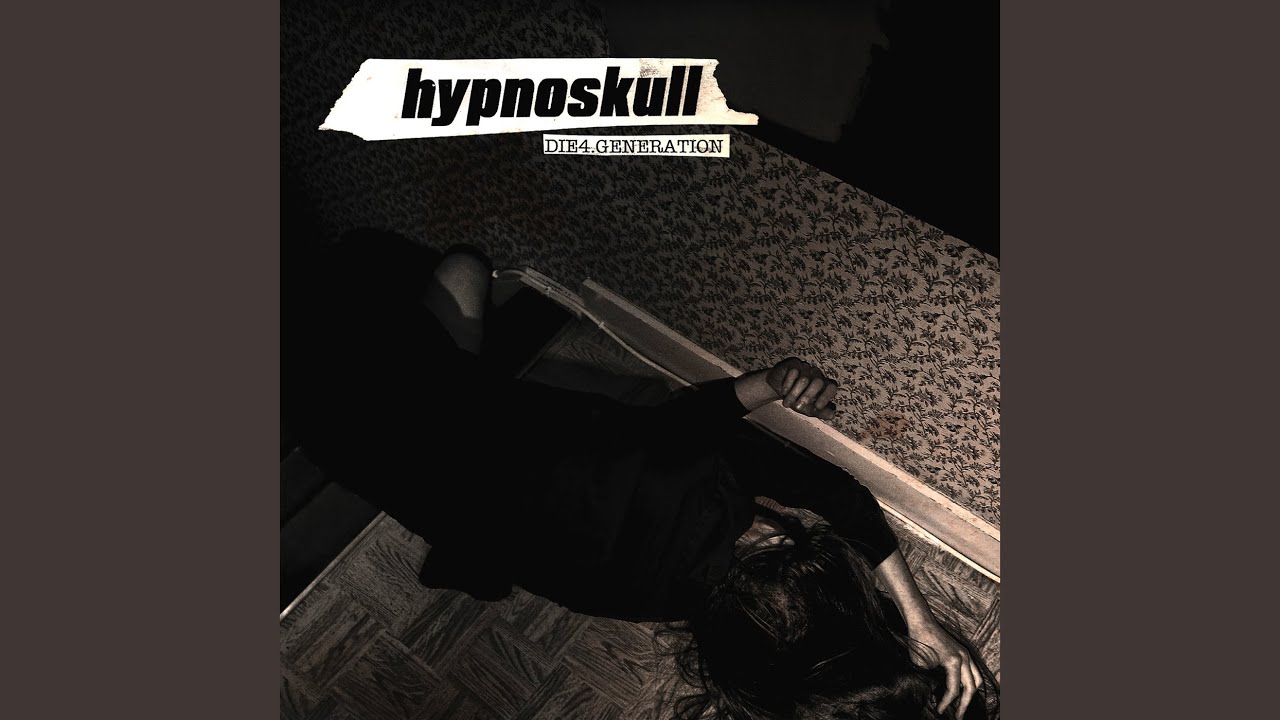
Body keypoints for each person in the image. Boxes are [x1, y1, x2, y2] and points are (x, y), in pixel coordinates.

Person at [286, 235, 995, 719]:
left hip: (390, 377)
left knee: (463, 263)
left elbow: (829, 492)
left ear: (784, 547)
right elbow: (681, 436)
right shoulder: (643, 597)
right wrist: (771, 382)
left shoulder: (698, 484)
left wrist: (921, 621)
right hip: (349, 446)